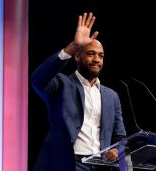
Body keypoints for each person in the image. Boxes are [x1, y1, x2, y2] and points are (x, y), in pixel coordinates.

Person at [31, 12, 127, 171]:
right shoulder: (62, 84)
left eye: (101, 56)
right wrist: (72, 46)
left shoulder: (111, 96)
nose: (97, 59)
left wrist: (116, 150)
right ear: (77, 56)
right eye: (91, 53)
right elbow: (38, 80)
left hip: (99, 165)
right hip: (66, 164)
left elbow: (121, 138)